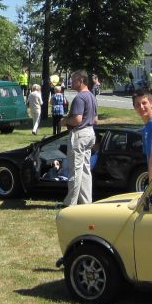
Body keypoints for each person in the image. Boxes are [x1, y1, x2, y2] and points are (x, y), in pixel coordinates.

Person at [59, 71, 97, 208]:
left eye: (74, 80)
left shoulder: (80, 98)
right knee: (85, 170)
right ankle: (86, 203)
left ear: (81, 80)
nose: (71, 82)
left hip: (79, 134)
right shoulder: (92, 96)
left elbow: (77, 119)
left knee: (75, 169)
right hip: (90, 133)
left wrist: (64, 122)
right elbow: (96, 119)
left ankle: (70, 203)